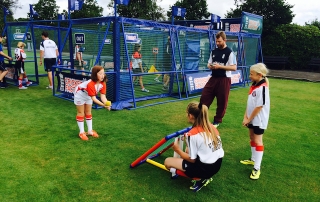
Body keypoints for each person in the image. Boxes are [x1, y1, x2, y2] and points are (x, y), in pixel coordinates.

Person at [164, 101, 224, 192]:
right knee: (188, 150)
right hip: (217, 165)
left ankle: (199, 178)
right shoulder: (212, 127)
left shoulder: (193, 134)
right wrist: (188, 142)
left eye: (187, 114)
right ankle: (202, 176)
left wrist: (178, 150)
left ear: (191, 116)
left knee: (167, 162)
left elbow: (192, 159)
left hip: (205, 169)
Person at [200, 31, 237, 128]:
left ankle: (217, 120)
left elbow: (234, 68)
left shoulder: (230, 53)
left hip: (224, 79)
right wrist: (210, 66)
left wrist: (220, 67)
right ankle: (200, 117)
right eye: (216, 41)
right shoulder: (213, 51)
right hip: (213, 78)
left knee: (222, 101)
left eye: (219, 41)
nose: (217, 43)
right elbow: (209, 63)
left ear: (225, 40)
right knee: (204, 97)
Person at [240, 63, 270, 180]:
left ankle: (257, 168)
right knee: (252, 137)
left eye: (252, 74)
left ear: (259, 75)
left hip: (259, 119)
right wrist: (245, 117)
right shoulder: (254, 85)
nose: (250, 76)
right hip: (251, 117)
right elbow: (250, 104)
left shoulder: (263, 87)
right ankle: (253, 160)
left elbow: (259, 106)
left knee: (258, 141)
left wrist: (249, 118)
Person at [73, 65, 111, 141]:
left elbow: (103, 96)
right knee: (81, 112)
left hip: (88, 96)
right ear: (95, 74)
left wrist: (106, 103)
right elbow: (94, 98)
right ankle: (81, 132)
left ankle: (90, 131)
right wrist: (104, 105)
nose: (102, 75)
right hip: (80, 94)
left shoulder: (103, 83)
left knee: (88, 112)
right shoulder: (90, 84)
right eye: (100, 73)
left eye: (103, 73)